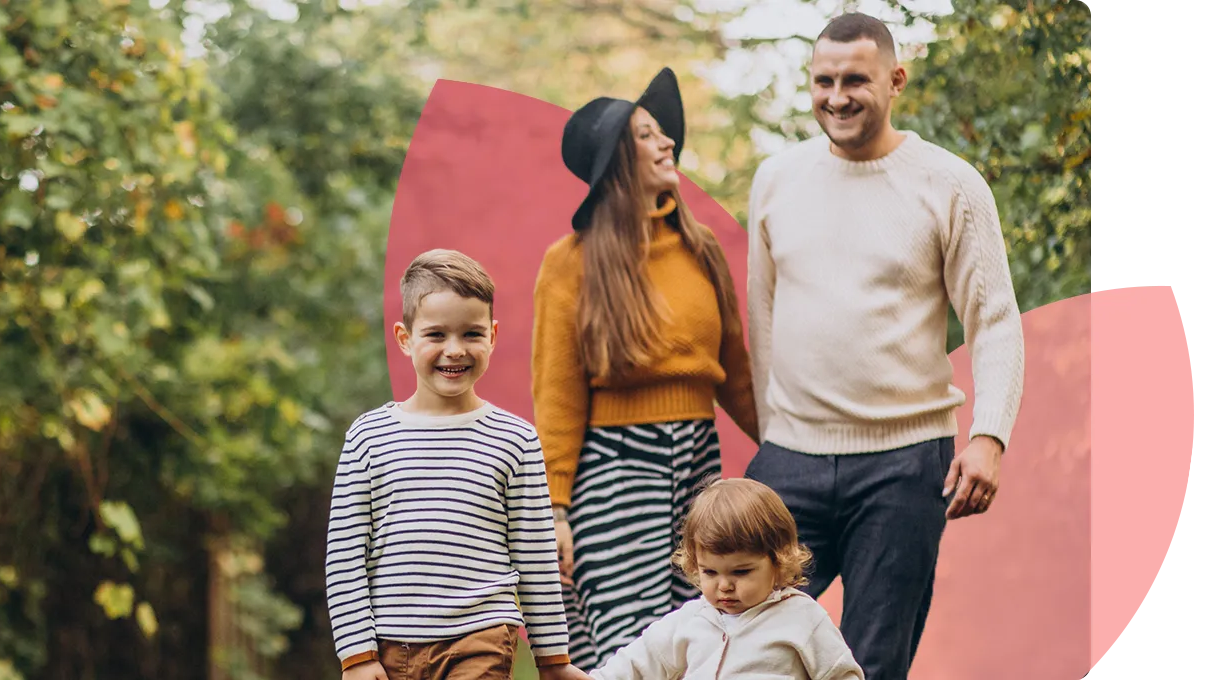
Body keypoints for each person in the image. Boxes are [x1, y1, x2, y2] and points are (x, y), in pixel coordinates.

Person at [743, 12, 1026, 680]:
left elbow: (995, 320)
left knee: (872, 665)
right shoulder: (777, 180)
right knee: (747, 648)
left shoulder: (949, 184)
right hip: (791, 461)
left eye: (855, 80)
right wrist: (772, 432)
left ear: (895, 80)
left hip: (903, 465)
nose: (836, 96)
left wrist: (990, 435)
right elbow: (762, 317)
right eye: (823, 81)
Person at [534, 68, 760, 670]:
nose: (666, 144)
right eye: (646, 135)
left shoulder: (699, 246)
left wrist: (798, 447)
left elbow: (737, 375)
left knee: (706, 638)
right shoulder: (571, 263)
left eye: (664, 134)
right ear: (615, 161)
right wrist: (555, 512)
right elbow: (556, 393)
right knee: (632, 649)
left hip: (698, 461)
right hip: (613, 468)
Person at [325, 249, 589, 680]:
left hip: (480, 637)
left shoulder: (516, 440)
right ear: (405, 337)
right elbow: (346, 556)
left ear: (493, 335)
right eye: (436, 335)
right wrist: (357, 655)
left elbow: (537, 557)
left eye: (471, 334)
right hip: (391, 644)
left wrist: (554, 660)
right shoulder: (368, 436)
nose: (455, 350)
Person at [587, 479, 864, 679]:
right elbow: (638, 661)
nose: (725, 586)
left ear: (778, 562)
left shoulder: (802, 618)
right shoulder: (692, 619)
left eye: (741, 572)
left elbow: (841, 674)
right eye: (710, 572)